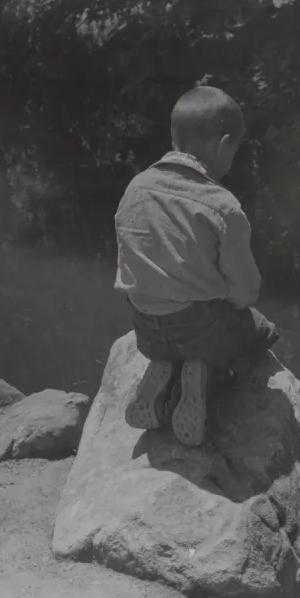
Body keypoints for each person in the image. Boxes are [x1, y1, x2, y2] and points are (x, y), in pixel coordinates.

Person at [114, 84, 280, 447]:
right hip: (201, 328)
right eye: (234, 149)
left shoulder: (136, 188)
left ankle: (165, 366)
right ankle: (202, 377)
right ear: (223, 145)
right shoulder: (222, 206)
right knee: (261, 332)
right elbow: (245, 292)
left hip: (146, 327)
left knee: (179, 321)